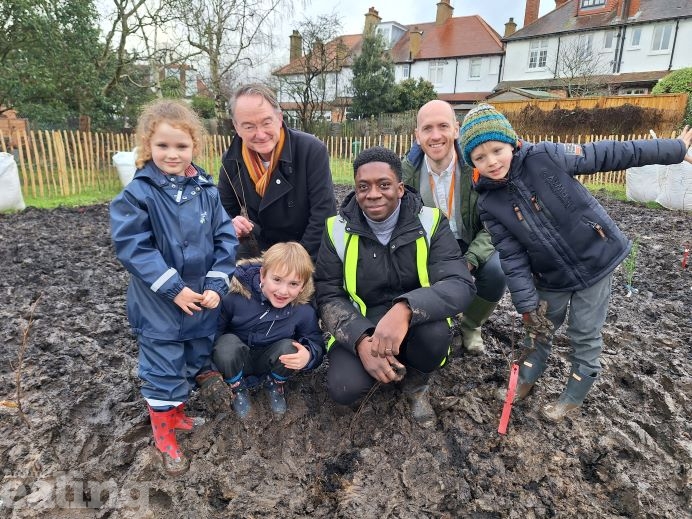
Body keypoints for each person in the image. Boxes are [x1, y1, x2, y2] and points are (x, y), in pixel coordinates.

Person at [460, 103, 692, 422]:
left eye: (497, 150)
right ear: (471, 162)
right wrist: (526, 304)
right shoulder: (488, 202)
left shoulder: (547, 157)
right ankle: (526, 380)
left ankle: (573, 396)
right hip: (550, 277)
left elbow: (612, 153)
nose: (492, 162)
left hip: (596, 261)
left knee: (584, 332)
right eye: (480, 158)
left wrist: (676, 149)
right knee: (537, 328)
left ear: (511, 142)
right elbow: (511, 257)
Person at [110, 99, 238, 475]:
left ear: (194, 147)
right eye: (163, 145)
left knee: (192, 358)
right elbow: (134, 247)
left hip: (200, 301)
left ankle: (177, 414)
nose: (171, 154)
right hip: (160, 305)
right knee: (163, 365)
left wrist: (217, 282)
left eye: (181, 146)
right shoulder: (137, 195)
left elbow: (225, 238)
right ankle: (163, 432)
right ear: (147, 146)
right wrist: (172, 288)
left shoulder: (207, 191)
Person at [314, 146, 476, 427]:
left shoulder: (431, 222)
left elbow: (459, 283)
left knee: (435, 338)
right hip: (361, 322)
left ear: (400, 188)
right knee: (344, 389)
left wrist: (407, 309)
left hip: (415, 324)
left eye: (384, 185)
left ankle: (416, 383)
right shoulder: (335, 229)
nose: (373, 194)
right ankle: (379, 368)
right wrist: (360, 341)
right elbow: (328, 294)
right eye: (363, 186)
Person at [403, 100, 506, 355]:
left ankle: (471, 324)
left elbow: (495, 222)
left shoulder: (477, 167)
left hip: (470, 240)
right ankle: (432, 319)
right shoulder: (405, 174)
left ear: (456, 130)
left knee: (497, 269)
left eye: (443, 126)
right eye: (427, 129)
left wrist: (470, 259)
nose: (436, 135)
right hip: (429, 246)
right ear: (417, 136)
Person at [218, 83, 337, 262]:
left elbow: (323, 215)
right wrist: (232, 225)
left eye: (266, 122)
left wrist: (295, 263)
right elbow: (222, 211)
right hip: (260, 249)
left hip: (305, 252)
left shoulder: (311, 150)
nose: (260, 134)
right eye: (249, 126)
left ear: (279, 118)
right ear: (236, 127)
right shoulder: (231, 160)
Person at [213, 241, 325, 419]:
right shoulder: (235, 297)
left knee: (292, 347)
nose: (283, 291)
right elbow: (213, 333)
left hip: (271, 360)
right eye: (277, 280)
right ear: (263, 275)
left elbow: (316, 342)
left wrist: (309, 356)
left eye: (293, 284)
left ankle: (275, 383)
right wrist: (209, 372)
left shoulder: (303, 311)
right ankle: (237, 387)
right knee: (225, 345)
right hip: (239, 358)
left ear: (303, 286)